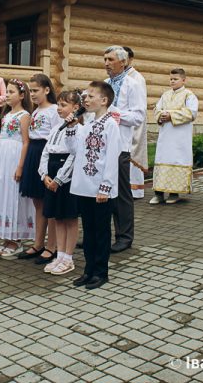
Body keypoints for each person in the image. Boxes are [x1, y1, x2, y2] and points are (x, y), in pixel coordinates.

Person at [64, 81, 120, 290]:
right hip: (84, 186)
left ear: (104, 100)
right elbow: (74, 150)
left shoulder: (110, 125)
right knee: (88, 231)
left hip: (99, 188)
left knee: (101, 231)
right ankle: (88, 270)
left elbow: (112, 156)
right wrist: (70, 129)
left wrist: (105, 187)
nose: (85, 99)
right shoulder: (86, 123)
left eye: (91, 96)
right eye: (85, 96)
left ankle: (101, 272)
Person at [0, 79, 36, 257]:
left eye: (11, 92)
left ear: (22, 95)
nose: (7, 95)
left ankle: (16, 240)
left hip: (14, 157)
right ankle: (6, 236)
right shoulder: (7, 114)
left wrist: (20, 166)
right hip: (2, 158)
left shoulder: (24, 115)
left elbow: (26, 142)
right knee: (2, 193)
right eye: (7, 92)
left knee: (13, 195)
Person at [103, 46, 146, 253]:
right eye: (105, 59)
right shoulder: (103, 85)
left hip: (120, 145)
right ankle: (99, 233)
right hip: (100, 145)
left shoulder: (132, 84)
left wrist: (115, 115)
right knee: (99, 190)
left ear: (123, 62)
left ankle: (124, 236)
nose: (106, 63)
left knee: (121, 193)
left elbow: (138, 116)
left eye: (110, 59)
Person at [18, 74, 61, 264]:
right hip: (34, 153)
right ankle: (38, 242)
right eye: (31, 91)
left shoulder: (54, 111)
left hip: (47, 153)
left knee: (49, 202)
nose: (32, 94)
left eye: (35, 90)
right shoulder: (35, 111)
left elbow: (57, 138)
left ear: (47, 90)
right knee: (38, 202)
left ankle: (52, 246)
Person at [38, 90, 82, 275]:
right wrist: (44, 175)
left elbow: (74, 155)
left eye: (64, 105)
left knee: (69, 218)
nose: (59, 108)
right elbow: (46, 152)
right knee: (57, 217)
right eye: (59, 104)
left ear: (76, 108)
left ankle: (68, 258)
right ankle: (60, 254)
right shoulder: (56, 128)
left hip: (66, 178)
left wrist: (59, 179)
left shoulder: (78, 130)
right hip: (52, 173)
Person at [151, 68, 198, 204]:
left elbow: (192, 113)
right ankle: (159, 194)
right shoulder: (165, 95)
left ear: (183, 80)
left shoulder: (189, 95)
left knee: (176, 160)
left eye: (175, 79)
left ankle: (174, 194)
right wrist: (160, 116)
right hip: (165, 135)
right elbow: (157, 109)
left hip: (180, 137)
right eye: (171, 79)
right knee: (162, 159)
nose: (172, 81)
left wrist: (171, 115)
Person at [124, 47, 149, 200]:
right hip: (120, 120)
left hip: (132, 121)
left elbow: (140, 103)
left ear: (131, 59)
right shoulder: (117, 77)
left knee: (132, 152)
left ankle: (135, 190)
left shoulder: (137, 78)